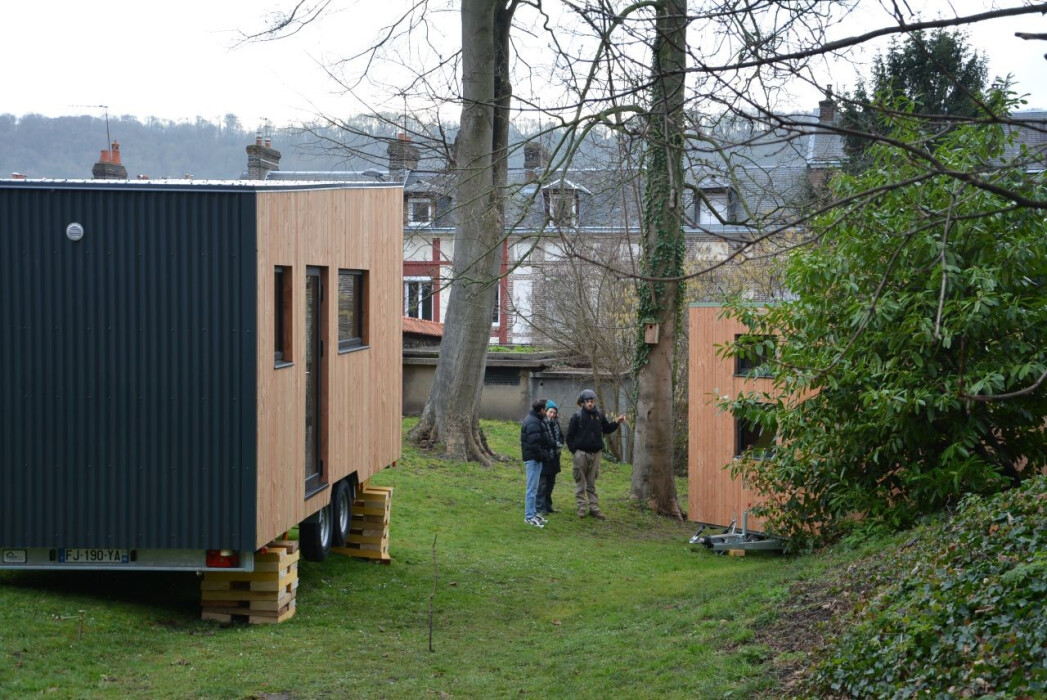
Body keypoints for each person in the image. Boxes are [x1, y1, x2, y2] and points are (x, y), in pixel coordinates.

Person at [565, 389, 626, 519]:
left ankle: (594, 508)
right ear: (582, 402)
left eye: (592, 401)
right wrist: (575, 452)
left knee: (591, 483)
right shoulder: (577, 417)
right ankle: (581, 508)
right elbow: (569, 436)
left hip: (596, 454)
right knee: (580, 482)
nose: (590, 403)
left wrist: (617, 422)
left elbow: (607, 429)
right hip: (581, 454)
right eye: (587, 401)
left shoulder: (599, 415)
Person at [520, 398, 555, 528]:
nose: (546, 411)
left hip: (536, 458)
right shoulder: (533, 422)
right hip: (533, 459)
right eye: (545, 409)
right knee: (532, 489)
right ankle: (529, 516)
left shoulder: (536, 420)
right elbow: (534, 444)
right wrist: (543, 455)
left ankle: (533, 513)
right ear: (541, 410)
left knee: (534, 488)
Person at [537, 400, 563, 516]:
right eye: (550, 412)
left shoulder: (556, 424)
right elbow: (544, 440)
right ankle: (540, 507)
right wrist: (554, 444)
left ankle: (548, 506)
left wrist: (559, 444)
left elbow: (561, 437)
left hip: (554, 458)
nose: (552, 415)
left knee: (550, 484)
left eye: (554, 413)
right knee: (542, 485)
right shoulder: (541, 424)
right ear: (546, 412)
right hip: (545, 458)